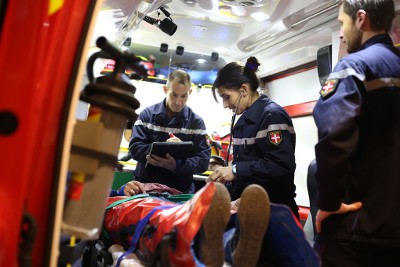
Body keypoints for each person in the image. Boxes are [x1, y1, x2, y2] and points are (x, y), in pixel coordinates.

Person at [312, 0, 400, 266]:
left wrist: (328, 202)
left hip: (355, 229)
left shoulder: (353, 67)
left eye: (342, 23)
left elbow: (333, 138)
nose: (341, 33)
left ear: (361, 19)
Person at [206, 56, 299, 218]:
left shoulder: (272, 116)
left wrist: (235, 171)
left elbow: (281, 165)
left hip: (274, 211)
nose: (225, 105)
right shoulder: (244, 123)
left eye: (226, 97)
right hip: (249, 208)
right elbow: (248, 169)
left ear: (243, 90)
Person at [128, 70, 210, 193]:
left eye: (184, 96)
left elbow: (203, 161)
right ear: (165, 90)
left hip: (180, 192)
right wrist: (163, 147)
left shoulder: (197, 123)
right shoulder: (146, 116)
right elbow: (134, 148)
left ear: (190, 92)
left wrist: (177, 165)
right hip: (146, 190)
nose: (178, 102)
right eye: (174, 95)